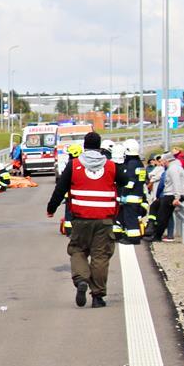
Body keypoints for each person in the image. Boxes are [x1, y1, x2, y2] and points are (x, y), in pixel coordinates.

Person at [47, 132, 127, 308]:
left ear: (84, 146)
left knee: (78, 250)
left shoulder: (74, 165)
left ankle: (82, 279)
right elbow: (125, 180)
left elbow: (60, 188)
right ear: (100, 147)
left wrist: (51, 209)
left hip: (80, 219)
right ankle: (97, 297)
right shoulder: (111, 166)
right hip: (104, 220)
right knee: (100, 256)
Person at [151, 152, 184, 243]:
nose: (161, 163)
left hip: (171, 195)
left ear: (166, 160)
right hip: (170, 194)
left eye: (162, 161)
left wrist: (177, 197)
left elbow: (176, 182)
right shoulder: (176, 167)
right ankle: (153, 229)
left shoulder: (173, 169)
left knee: (163, 216)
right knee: (155, 206)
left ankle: (157, 236)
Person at [117, 139, 147, 244]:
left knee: (130, 219)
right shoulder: (139, 164)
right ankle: (131, 237)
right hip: (138, 195)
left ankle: (133, 238)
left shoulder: (131, 164)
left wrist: (123, 194)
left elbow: (130, 182)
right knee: (132, 217)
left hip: (131, 196)